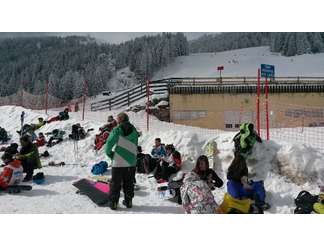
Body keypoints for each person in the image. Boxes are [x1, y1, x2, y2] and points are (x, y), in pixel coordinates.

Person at [105, 112, 139, 210]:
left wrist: (111, 155)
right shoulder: (134, 130)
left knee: (115, 183)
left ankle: (114, 203)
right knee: (129, 182)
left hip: (118, 161)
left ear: (120, 120)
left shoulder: (117, 130)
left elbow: (108, 145)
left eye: (117, 119)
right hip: (131, 162)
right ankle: (129, 202)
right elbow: (135, 144)